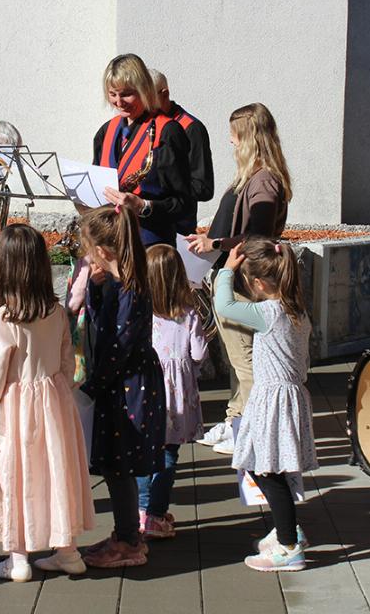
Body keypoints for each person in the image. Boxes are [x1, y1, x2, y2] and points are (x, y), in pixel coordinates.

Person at [0, 224, 96, 582]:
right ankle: (68, 551)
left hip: (15, 404)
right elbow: (66, 363)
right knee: (56, 471)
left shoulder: (4, 318)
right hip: (54, 400)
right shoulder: (56, 311)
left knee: (17, 475)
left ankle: (18, 558)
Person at [187, 103, 292, 453]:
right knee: (238, 358)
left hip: (246, 282)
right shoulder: (254, 176)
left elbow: (258, 236)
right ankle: (236, 419)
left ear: (248, 138)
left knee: (246, 361)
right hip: (235, 276)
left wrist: (215, 242)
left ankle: (246, 430)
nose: (230, 142)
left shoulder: (263, 181)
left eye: (234, 136)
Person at [213, 238, 316, 572]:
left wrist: (226, 271)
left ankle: (288, 547)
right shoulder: (295, 308)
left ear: (257, 283)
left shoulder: (267, 312)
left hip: (272, 399)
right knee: (272, 467)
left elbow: (225, 307)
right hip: (289, 396)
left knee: (265, 469)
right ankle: (288, 531)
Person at [77, 205, 165, 568]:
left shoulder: (132, 285)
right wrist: (95, 291)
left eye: (86, 248)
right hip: (122, 382)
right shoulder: (117, 281)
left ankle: (129, 541)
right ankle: (127, 532)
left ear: (102, 251)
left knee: (120, 464)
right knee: (117, 465)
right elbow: (100, 326)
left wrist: (93, 386)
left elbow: (118, 344)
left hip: (128, 384)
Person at [136, 244, 206, 540]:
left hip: (146, 393)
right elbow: (199, 354)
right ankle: (155, 514)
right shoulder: (190, 315)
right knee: (167, 455)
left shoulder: (140, 314)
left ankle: (140, 511)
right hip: (177, 397)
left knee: (142, 453)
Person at [94, 54, 192, 247]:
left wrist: (143, 206)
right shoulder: (106, 132)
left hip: (150, 245)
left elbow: (184, 204)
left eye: (126, 94)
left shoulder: (168, 132)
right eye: (113, 94)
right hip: (111, 242)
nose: (119, 102)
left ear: (144, 90)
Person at [150, 69, 214, 235]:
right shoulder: (143, 126)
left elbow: (203, 187)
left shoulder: (191, 128)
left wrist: (157, 187)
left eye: (148, 98)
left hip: (176, 228)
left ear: (164, 94)